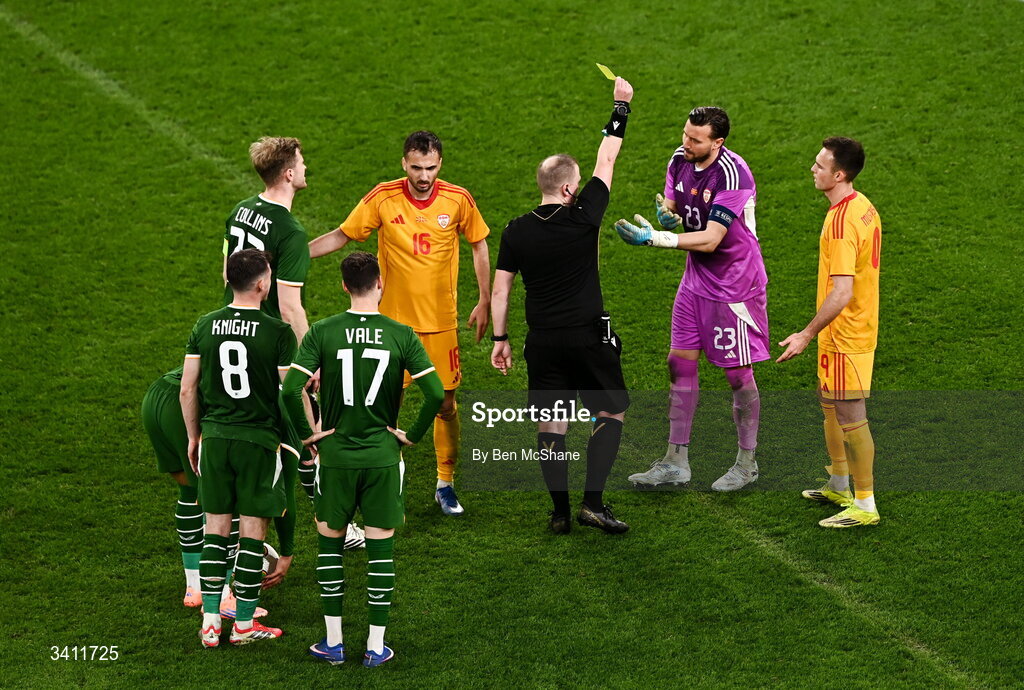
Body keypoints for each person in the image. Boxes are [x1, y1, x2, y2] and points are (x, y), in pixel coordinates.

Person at [308, 131, 491, 516]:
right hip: (389, 325)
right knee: (385, 406)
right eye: (416, 167)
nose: (423, 176)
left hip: (440, 324)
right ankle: (382, 479)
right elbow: (342, 236)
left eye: (431, 167)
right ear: (403, 163)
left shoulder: (458, 199)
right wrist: (293, 256)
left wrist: (486, 298)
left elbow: (478, 243)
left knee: (444, 403)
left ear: (440, 164)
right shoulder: (383, 196)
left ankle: (446, 482)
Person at [281, 251, 444, 667]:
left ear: (343, 286)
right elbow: (436, 395)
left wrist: (307, 436)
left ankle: (333, 643)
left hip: (334, 458)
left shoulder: (322, 332)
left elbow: (288, 391)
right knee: (380, 552)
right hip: (382, 458)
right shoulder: (401, 334)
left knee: (330, 549)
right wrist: (411, 435)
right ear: (380, 283)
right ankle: (375, 647)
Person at [490, 76, 634, 535]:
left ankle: (558, 512)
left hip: (543, 341)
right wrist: (621, 106)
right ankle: (593, 503)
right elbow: (607, 157)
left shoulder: (516, 230)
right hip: (590, 336)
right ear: (571, 188)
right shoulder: (585, 215)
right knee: (610, 412)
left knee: (551, 427)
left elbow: (501, 291)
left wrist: (500, 339)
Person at [615, 106, 769, 492]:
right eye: (685, 134)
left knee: (736, 376)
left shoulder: (734, 174)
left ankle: (746, 463)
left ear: (718, 142)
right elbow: (674, 204)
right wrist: (667, 215)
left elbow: (713, 238)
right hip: (695, 281)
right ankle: (675, 461)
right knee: (678, 363)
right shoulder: (679, 159)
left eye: (695, 139)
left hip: (734, 287)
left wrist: (655, 237)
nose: (686, 143)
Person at [224, 136, 365, 546]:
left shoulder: (241, 210)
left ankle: (232, 524)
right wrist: (312, 360)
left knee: (255, 432)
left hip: (232, 331)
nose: (305, 168)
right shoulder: (289, 230)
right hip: (272, 346)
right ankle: (335, 523)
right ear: (288, 173)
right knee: (311, 433)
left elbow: (226, 275)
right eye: (301, 163)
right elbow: (290, 307)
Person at [181, 249, 296, 647]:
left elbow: (187, 388)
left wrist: (195, 437)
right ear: (263, 283)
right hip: (258, 443)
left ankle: (211, 623)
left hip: (214, 439)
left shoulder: (205, 325)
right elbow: (289, 393)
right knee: (251, 532)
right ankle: (244, 626)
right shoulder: (278, 332)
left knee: (215, 529)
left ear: (228, 280)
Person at [777, 137, 882, 528]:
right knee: (829, 400)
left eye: (820, 166)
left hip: (846, 332)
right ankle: (839, 482)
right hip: (852, 325)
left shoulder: (840, 223)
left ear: (839, 174)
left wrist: (805, 333)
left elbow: (842, 291)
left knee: (852, 413)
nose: (812, 169)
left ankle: (865, 504)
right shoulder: (862, 205)